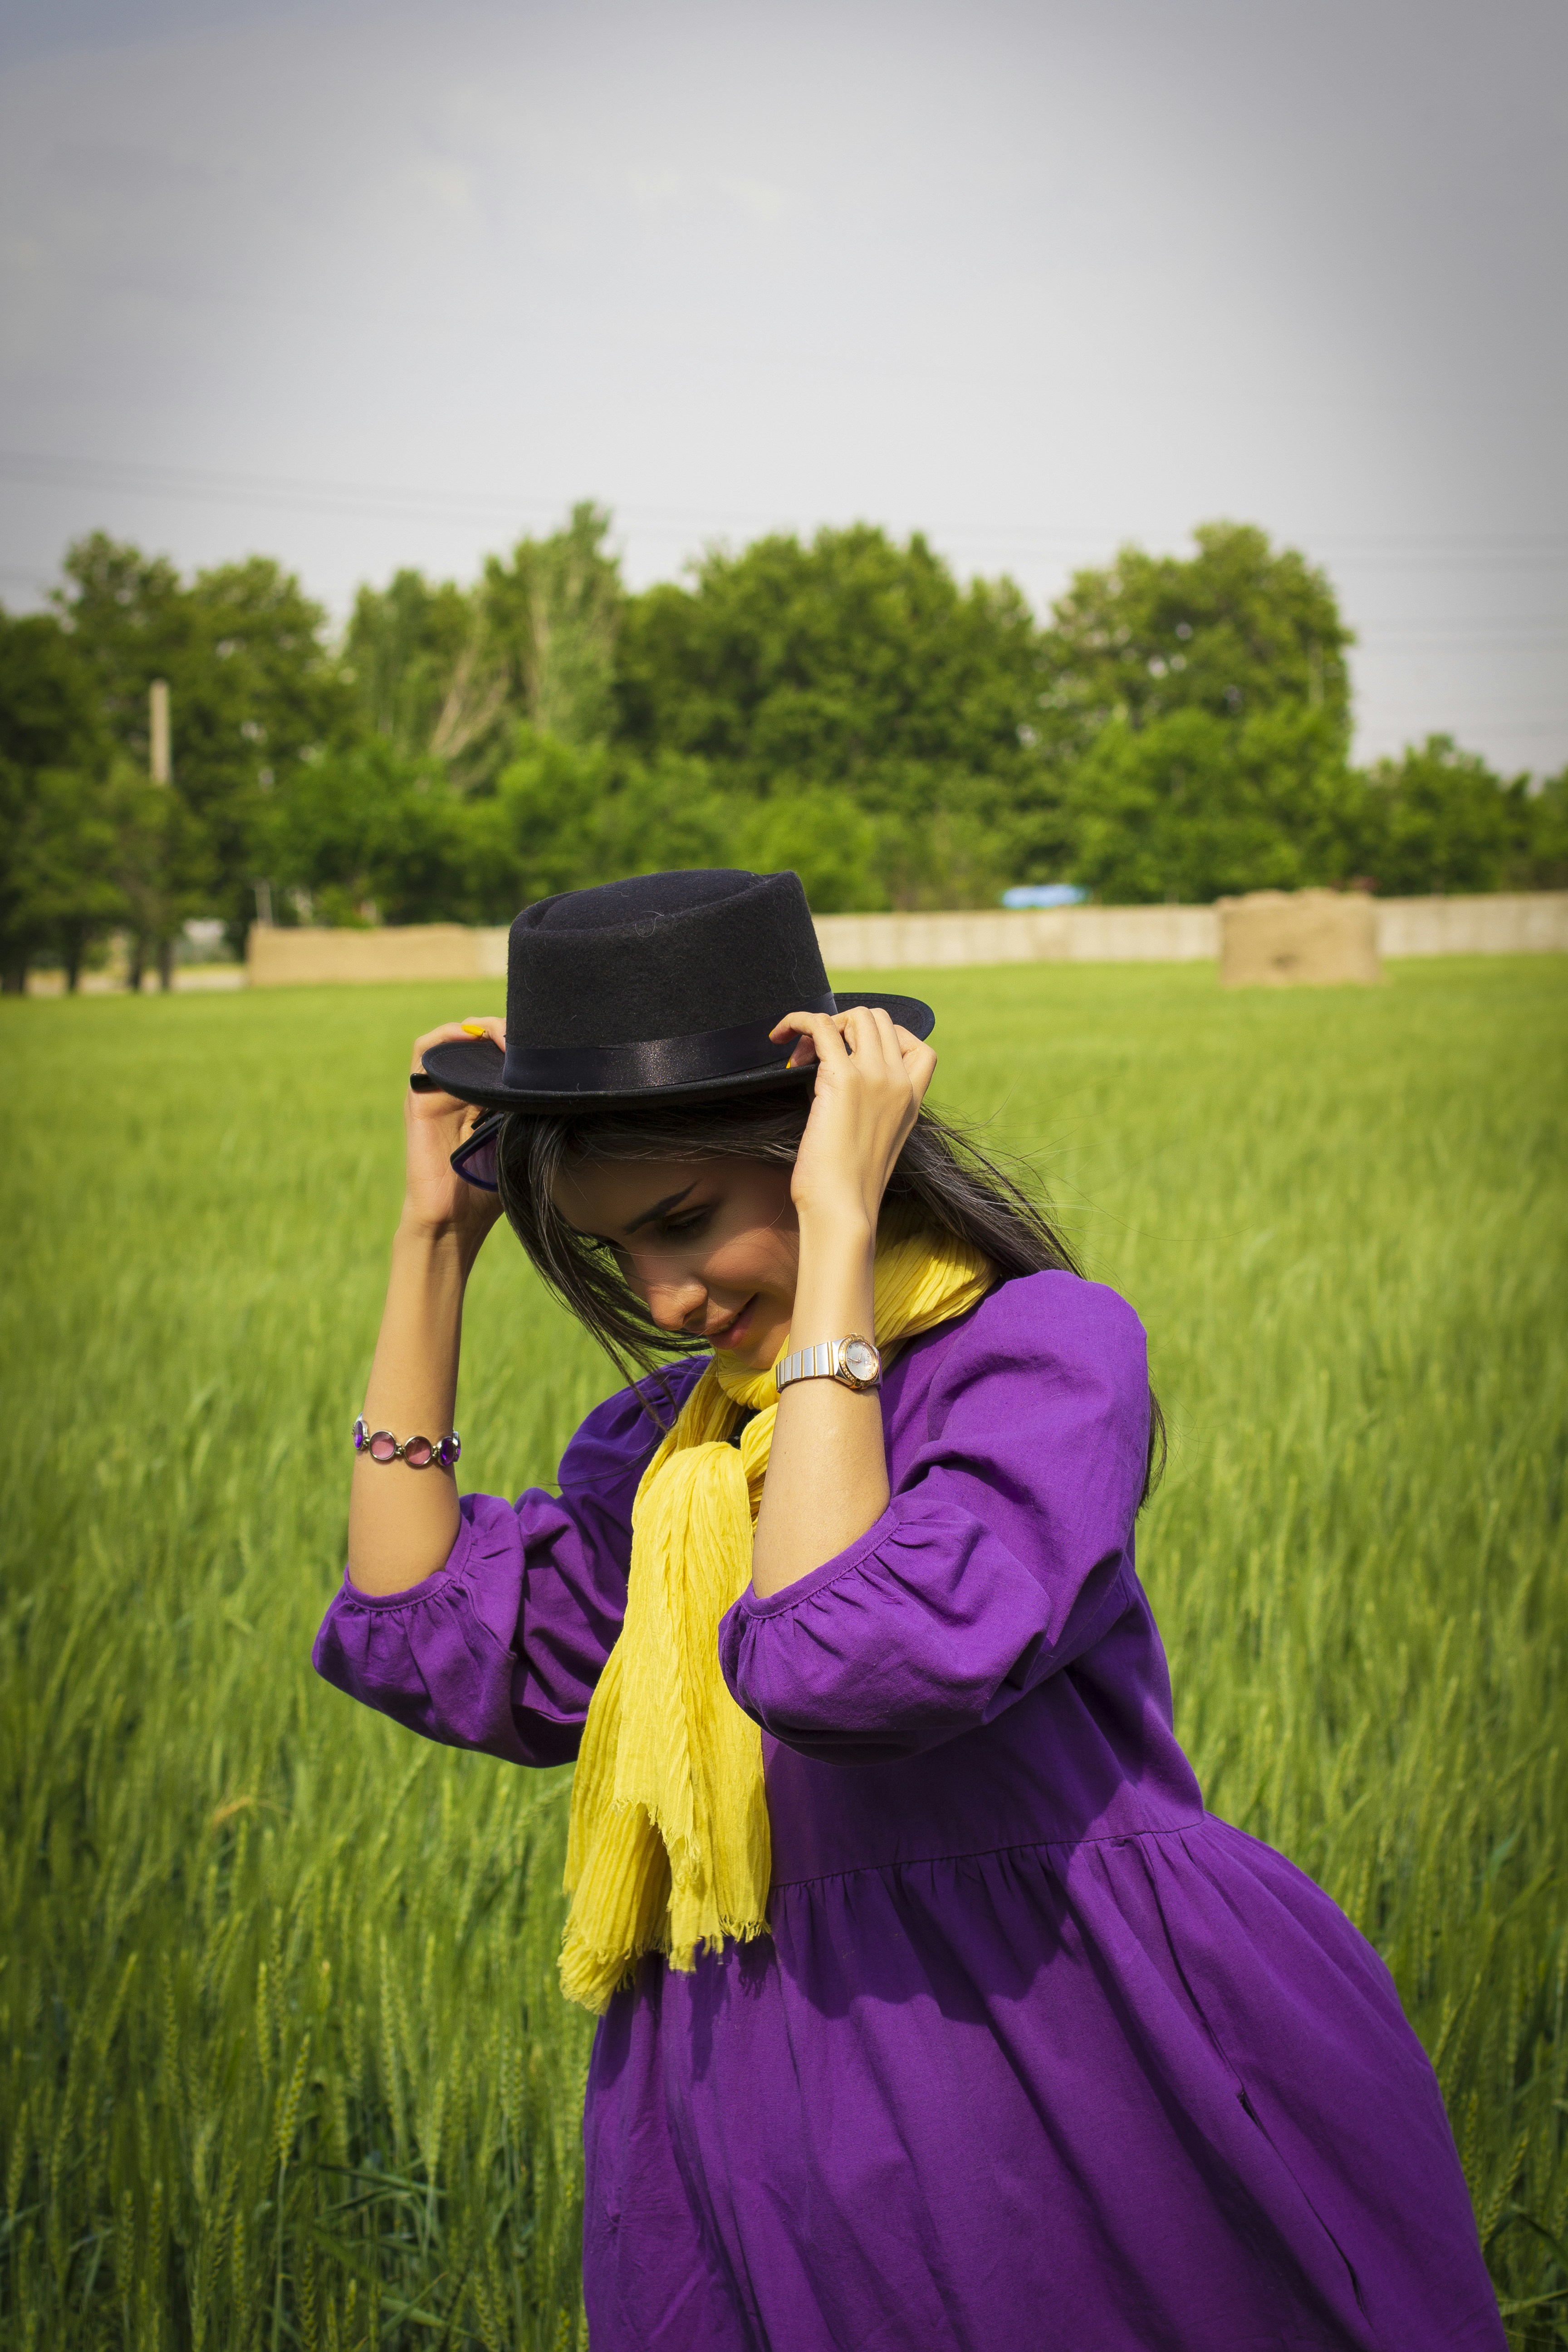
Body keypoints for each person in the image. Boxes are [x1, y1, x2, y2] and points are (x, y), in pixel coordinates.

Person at [314, 867, 1503, 2351]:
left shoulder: (1037, 1364)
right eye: (621, 1251)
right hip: (742, 2073)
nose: (667, 1297)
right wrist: (433, 1244)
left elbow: (844, 1659)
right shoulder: (674, 1463)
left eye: (690, 1220)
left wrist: (833, 1225)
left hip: (1047, 2045)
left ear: (820, 1146)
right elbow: (425, 1634)